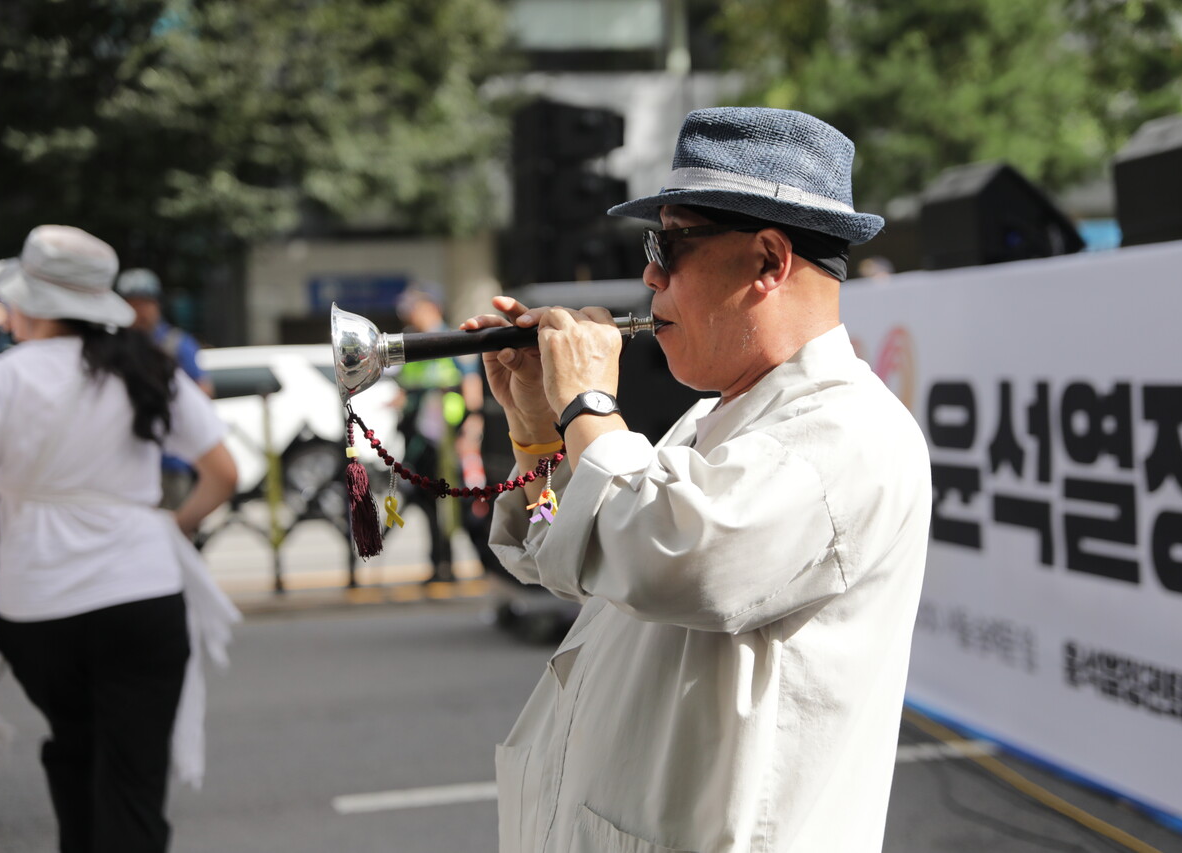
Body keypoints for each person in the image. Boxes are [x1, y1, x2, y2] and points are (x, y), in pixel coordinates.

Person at [465, 107, 931, 852]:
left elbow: (672, 556)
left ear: (769, 261)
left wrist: (587, 402)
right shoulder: (714, 418)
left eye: (670, 244)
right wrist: (537, 436)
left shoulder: (848, 434)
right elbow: (565, 552)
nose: (649, 273)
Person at [0, 225, 239, 852]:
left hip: (35, 604)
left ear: (31, 303)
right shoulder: (146, 366)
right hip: (141, 592)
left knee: (73, 752)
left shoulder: (2, 379)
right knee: (132, 783)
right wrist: (167, 525)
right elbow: (223, 474)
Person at [390, 283, 488, 583]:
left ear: (431, 308)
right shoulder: (413, 342)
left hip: (452, 439)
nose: (409, 316)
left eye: (413, 309)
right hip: (423, 441)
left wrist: (472, 427)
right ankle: (441, 564)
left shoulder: (451, 340)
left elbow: (471, 384)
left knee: (462, 504)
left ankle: (484, 561)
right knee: (428, 503)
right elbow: (406, 386)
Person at [116, 267, 215, 510]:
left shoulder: (177, 344)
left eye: (145, 303)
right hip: (123, 461)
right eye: (132, 304)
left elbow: (204, 390)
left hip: (171, 461)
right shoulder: (112, 346)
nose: (139, 311)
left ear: (157, 305)